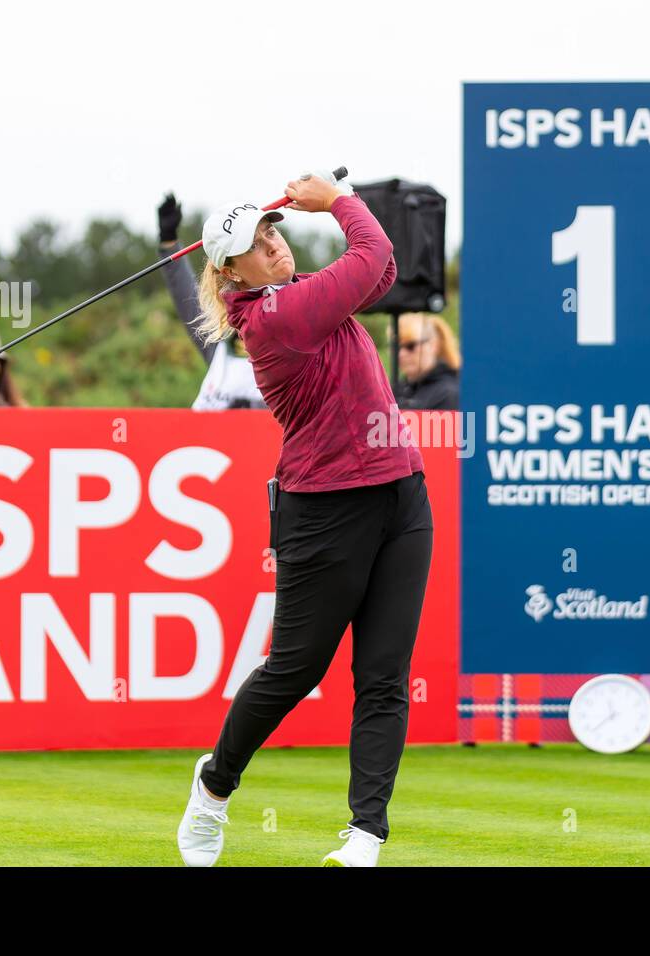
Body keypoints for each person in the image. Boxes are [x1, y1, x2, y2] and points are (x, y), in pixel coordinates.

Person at [177, 173, 432, 868]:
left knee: (383, 676)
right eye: (256, 246)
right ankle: (213, 785)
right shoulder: (275, 319)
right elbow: (375, 256)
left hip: (402, 496)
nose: (274, 247)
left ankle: (365, 837)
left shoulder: (300, 296)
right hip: (324, 510)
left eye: (273, 233)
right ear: (230, 273)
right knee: (294, 669)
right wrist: (337, 203)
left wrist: (329, 214)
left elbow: (380, 275)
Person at [156, 193, 266, 410]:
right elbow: (188, 299)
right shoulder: (220, 343)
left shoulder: (290, 348)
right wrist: (169, 242)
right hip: (209, 442)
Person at [393, 312, 461, 410]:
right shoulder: (395, 390)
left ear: (433, 345)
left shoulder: (448, 394)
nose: (401, 354)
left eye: (410, 346)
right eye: (396, 347)